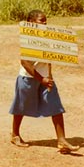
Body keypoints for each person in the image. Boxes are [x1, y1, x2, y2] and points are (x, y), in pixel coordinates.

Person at [9, 10, 79, 152]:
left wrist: (49, 76)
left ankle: (62, 140)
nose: (45, 23)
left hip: (46, 79)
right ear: (31, 22)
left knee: (56, 106)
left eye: (45, 20)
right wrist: (42, 79)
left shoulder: (46, 38)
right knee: (21, 107)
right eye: (41, 20)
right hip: (28, 78)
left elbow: (48, 58)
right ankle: (15, 134)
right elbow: (25, 62)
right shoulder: (28, 39)